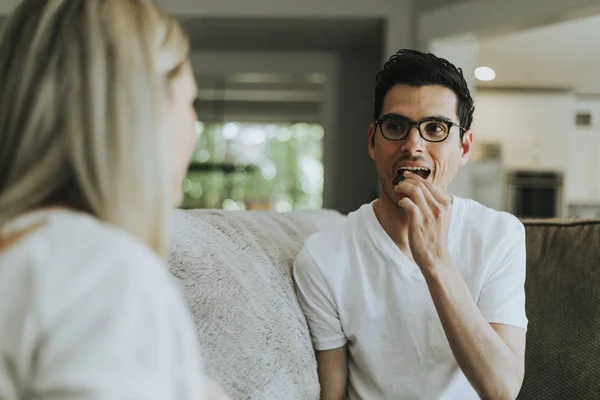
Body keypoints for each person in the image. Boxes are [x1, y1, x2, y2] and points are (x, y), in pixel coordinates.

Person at [0, 0, 228, 399]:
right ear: (140, 112)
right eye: (189, 102)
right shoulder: (102, 271)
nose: (194, 132)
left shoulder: (29, 256)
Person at [293, 49, 527, 400]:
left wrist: (435, 262)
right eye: (396, 126)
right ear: (373, 141)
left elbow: (503, 388)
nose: (413, 145)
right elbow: (332, 394)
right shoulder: (323, 257)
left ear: (463, 148)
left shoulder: (500, 235)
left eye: (435, 128)